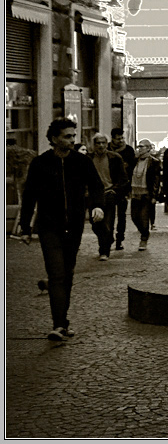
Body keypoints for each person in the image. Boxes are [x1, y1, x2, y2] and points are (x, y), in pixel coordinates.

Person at [18, 118, 106, 341]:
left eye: (74, 136)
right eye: (67, 136)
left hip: (74, 226)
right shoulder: (40, 163)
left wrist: (97, 205)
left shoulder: (81, 161)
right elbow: (29, 196)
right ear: (54, 138)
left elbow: (96, 185)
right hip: (49, 226)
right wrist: (26, 227)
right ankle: (58, 325)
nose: (72, 140)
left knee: (67, 273)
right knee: (56, 274)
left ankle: (63, 322)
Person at [88, 133, 128, 259]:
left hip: (108, 194)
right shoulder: (88, 159)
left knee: (107, 222)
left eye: (103, 143)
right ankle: (108, 238)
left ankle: (104, 251)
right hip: (92, 196)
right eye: (98, 143)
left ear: (107, 144)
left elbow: (123, 178)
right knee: (95, 223)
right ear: (93, 145)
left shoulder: (115, 158)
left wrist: (115, 191)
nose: (101, 146)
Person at [129, 139, 160, 251]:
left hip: (146, 194)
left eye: (142, 146)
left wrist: (154, 195)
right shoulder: (135, 160)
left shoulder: (154, 162)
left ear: (148, 148)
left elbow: (156, 180)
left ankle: (144, 237)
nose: (140, 149)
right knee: (134, 217)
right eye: (139, 146)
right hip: (135, 193)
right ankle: (144, 232)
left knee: (143, 217)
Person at [109, 128, 136, 250]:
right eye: (118, 138)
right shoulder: (107, 150)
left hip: (123, 187)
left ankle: (120, 239)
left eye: (121, 138)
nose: (120, 140)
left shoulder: (129, 150)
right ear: (113, 138)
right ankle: (109, 238)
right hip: (109, 186)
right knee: (109, 215)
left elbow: (132, 169)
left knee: (121, 215)